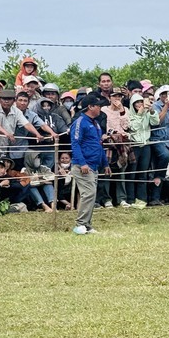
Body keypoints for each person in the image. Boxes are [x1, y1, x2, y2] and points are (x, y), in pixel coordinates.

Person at [70, 95, 110, 235]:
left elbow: (99, 145)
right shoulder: (80, 122)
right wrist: (82, 163)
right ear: (90, 107)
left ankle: (86, 224)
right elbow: (75, 144)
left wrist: (105, 163)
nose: (100, 108)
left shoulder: (95, 124)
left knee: (90, 195)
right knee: (89, 194)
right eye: (98, 105)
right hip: (84, 165)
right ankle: (81, 224)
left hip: (94, 165)